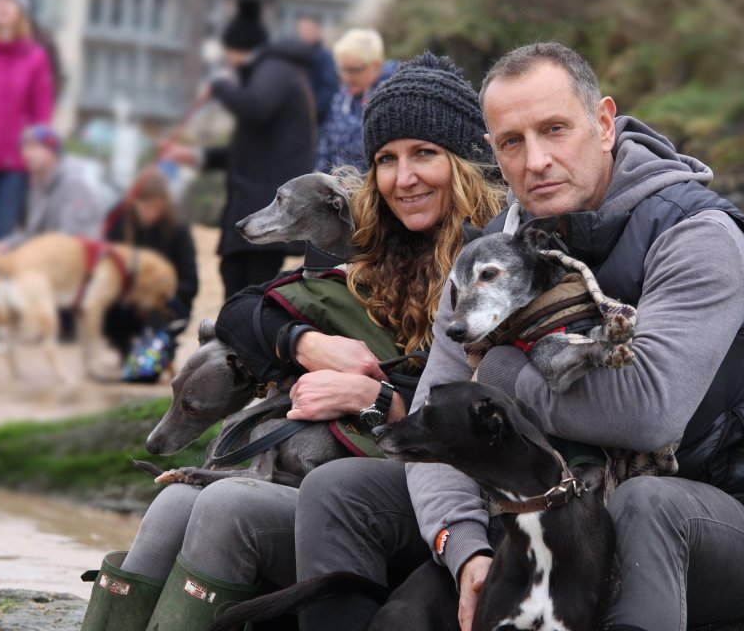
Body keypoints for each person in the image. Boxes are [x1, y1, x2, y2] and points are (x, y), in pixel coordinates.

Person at [292, 42, 744, 631]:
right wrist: (465, 550)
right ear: (491, 152)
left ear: (605, 123)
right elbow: (436, 415)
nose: (536, 161)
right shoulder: (491, 254)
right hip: (539, 504)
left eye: (555, 130)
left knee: (646, 505)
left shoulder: (699, 237)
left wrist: (502, 372)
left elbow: (647, 413)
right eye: (512, 141)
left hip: (701, 512)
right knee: (338, 492)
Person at [78, 52, 502, 631]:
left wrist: (371, 397)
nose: (404, 177)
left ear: (465, 162)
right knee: (175, 501)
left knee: (228, 505)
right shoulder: (368, 248)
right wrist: (306, 345)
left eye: (425, 153)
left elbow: (482, 410)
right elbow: (243, 310)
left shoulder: (498, 261)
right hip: (359, 467)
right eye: (386, 158)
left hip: (445, 495)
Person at [162, 0, 315, 301]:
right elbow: (244, 150)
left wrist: (220, 86)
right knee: (233, 276)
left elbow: (255, 108)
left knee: (253, 287)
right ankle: (235, 345)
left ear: (237, 50)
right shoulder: (264, 74)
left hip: (265, 202)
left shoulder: (276, 70)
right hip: (248, 196)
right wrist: (196, 156)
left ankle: (247, 347)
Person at [102, 164, 198, 379]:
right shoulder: (118, 222)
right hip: (124, 304)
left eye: (156, 207)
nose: (150, 213)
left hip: (164, 305)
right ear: (133, 201)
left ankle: (158, 349)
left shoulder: (178, 229)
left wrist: (155, 293)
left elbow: (190, 283)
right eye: (145, 206)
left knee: (144, 374)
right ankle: (126, 347)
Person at [0, 0, 54, 240]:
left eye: (9, 0)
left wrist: (41, 153)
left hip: (14, 165)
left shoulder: (35, 58)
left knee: (4, 235)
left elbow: (42, 114)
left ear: (21, 13)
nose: (2, 5)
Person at [0, 124, 104, 252]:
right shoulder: (39, 182)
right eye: (24, 147)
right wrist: (6, 245)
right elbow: (33, 233)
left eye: (35, 146)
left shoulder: (75, 183)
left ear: (53, 151)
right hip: (48, 256)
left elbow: (72, 238)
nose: (27, 153)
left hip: (75, 261)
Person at [314, 28, 397, 174]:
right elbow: (326, 146)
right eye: (342, 69)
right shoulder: (341, 96)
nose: (346, 77)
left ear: (376, 65)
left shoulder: (393, 98)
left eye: (354, 70)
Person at [295, 13, 339, 128]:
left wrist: (314, 112)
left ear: (317, 31)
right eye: (302, 29)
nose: (304, 33)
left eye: (308, 29)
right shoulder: (295, 55)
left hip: (316, 121)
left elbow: (329, 87)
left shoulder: (324, 57)